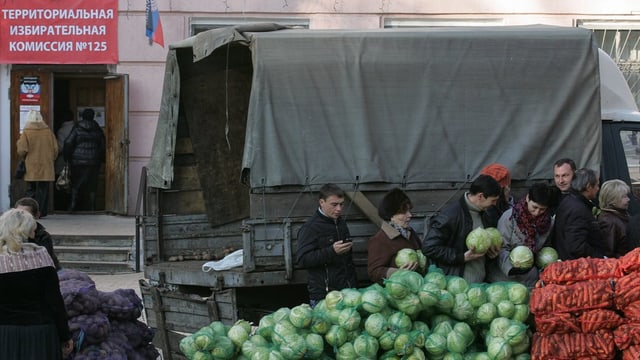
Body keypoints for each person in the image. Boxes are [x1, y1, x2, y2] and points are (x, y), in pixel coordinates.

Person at [0, 209, 73, 359]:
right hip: (40, 334)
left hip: (5, 334)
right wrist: (65, 335)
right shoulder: (41, 257)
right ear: (28, 231)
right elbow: (55, 302)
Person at [422, 174, 502, 283]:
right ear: (480, 196)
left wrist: (492, 254)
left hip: (480, 283)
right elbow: (429, 247)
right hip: (457, 283)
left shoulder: (486, 214)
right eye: (493, 200)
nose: (495, 204)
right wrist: (461, 257)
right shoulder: (450, 215)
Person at [486, 183, 559, 288]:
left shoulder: (548, 223)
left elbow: (545, 247)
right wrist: (512, 268)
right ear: (528, 198)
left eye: (542, 209)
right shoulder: (509, 217)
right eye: (535, 207)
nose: (537, 212)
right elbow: (501, 247)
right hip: (504, 279)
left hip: (530, 280)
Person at [296, 183, 357, 306]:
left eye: (341, 204)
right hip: (324, 298)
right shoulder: (310, 228)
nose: (339, 209)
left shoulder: (341, 224)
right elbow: (303, 260)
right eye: (334, 205)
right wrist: (331, 251)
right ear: (321, 202)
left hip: (347, 293)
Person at [367, 188, 423, 284]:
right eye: (404, 212)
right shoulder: (379, 240)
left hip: (415, 286)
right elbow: (373, 272)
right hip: (396, 292)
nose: (410, 215)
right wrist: (398, 273)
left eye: (409, 210)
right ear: (391, 215)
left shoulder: (411, 233)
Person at [552, 168, 606, 260]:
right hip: (579, 265)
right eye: (597, 185)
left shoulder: (569, 201)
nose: (598, 189)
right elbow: (577, 246)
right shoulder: (578, 209)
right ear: (589, 187)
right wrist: (600, 258)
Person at [16, 110, 58, 218]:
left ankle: (31, 211)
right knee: (43, 189)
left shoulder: (27, 131)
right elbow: (55, 149)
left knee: (31, 189)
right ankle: (42, 212)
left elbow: (22, 150)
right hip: (46, 165)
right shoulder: (48, 131)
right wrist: (50, 158)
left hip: (31, 164)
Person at [63, 108, 106, 212]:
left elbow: (68, 142)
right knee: (92, 184)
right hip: (93, 160)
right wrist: (102, 158)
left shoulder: (77, 128)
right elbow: (103, 146)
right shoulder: (97, 129)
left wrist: (67, 157)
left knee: (76, 183)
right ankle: (92, 207)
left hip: (77, 160)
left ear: (82, 116)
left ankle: (72, 206)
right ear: (93, 116)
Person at [14, 197, 61, 270]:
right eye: (18, 214)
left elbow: (43, 260)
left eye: (27, 216)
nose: (22, 219)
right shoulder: (7, 233)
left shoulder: (43, 236)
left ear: (37, 215)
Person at [598, 179, 634, 257]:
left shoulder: (622, 214)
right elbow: (609, 252)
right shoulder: (608, 221)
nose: (628, 199)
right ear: (613, 200)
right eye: (624, 197)